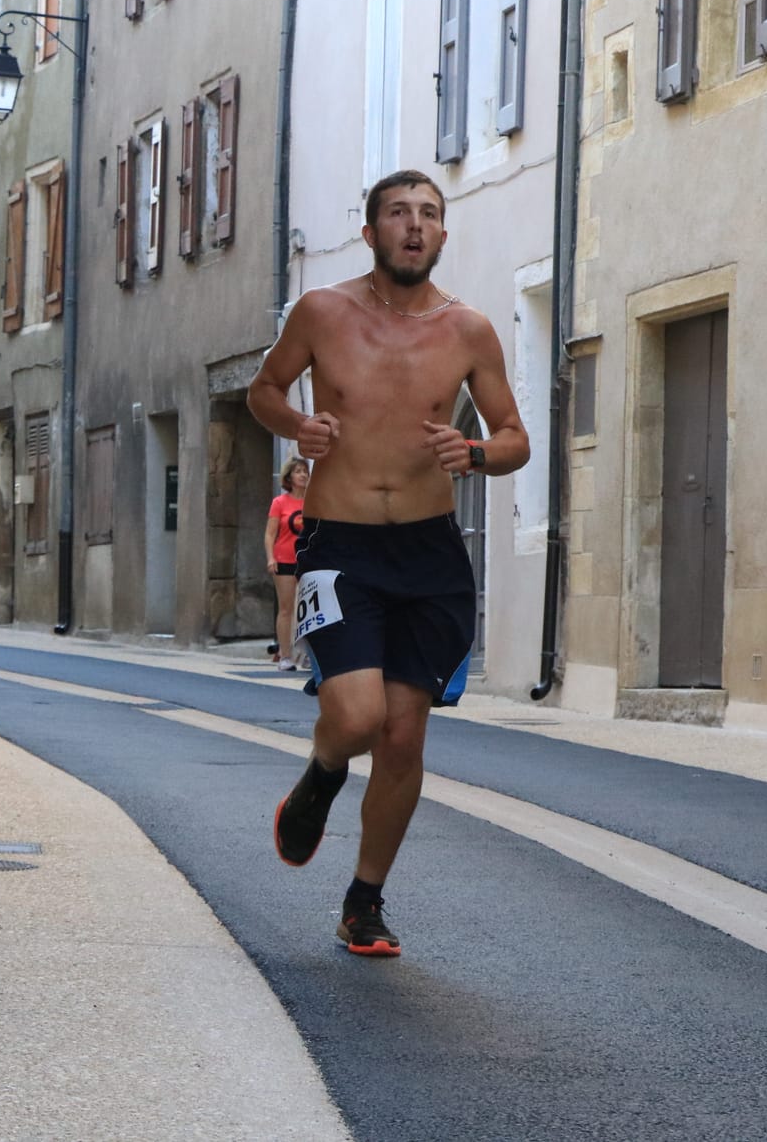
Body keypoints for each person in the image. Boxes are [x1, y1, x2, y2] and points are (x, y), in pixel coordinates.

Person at [247, 168, 529, 958]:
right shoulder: (322, 313)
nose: (414, 225)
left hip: (429, 553)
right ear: (369, 232)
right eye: (398, 213)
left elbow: (515, 437)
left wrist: (473, 450)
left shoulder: (468, 330)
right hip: (338, 545)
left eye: (428, 215)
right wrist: (297, 424)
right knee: (358, 716)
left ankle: (363, 901)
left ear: (442, 235)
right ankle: (325, 769)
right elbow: (262, 390)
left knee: (404, 737)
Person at [265, 457, 311, 671]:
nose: (303, 475)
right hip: (284, 559)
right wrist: (270, 557)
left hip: (309, 560)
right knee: (286, 609)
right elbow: (270, 533)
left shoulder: (314, 501)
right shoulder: (280, 503)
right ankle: (285, 655)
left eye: (305, 471)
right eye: (298, 471)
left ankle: (309, 655)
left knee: (311, 609)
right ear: (289, 477)